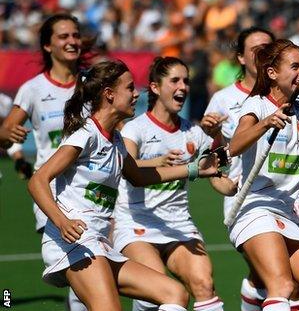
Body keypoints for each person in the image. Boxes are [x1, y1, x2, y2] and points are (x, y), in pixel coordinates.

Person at [27, 60, 225, 311]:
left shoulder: (116, 139)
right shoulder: (85, 134)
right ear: (109, 94)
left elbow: (139, 177)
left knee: (175, 294)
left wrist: (195, 170)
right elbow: (38, 181)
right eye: (130, 88)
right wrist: (62, 221)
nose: (136, 94)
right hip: (74, 242)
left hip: (97, 242)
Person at [113, 57, 235, 311]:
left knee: (204, 285)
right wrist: (160, 162)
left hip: (179, 224)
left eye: (186, 81)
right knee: (158, 293)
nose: (183, 87)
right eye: (175, 80)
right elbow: (128, 165)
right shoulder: (136, 129)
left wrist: (216, 137)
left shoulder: (194, 132)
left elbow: (217, 176)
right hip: (136, 223)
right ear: (155, 87)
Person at [204, 27, 299, 310]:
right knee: (278, 279)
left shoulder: (298, 100)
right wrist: (218, 180)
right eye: (255, 50)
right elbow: (214, 153)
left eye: (267, 48)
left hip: (289, 196)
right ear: (241, 58)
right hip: (248, 193)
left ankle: (253, 292)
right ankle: (253, 296)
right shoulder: (226, 99)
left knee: (296, 282)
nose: (262, 54)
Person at [228, 39, 299, 311]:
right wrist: (267, 122)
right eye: (294, 66)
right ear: (272, 73)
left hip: (287, 210)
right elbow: (235, 144)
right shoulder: (256, 105)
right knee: (282, 286)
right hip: (254, 209)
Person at [0, 13, 88, 311]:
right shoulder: (33, 89)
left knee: (95, 268)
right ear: (47, 46)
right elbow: (5, 134)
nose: (72, 41)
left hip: (95, 188)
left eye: (75, 35)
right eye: (63, 36)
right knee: (81, 267)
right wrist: (6, 133)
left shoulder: (93, 83)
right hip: (51, 192)